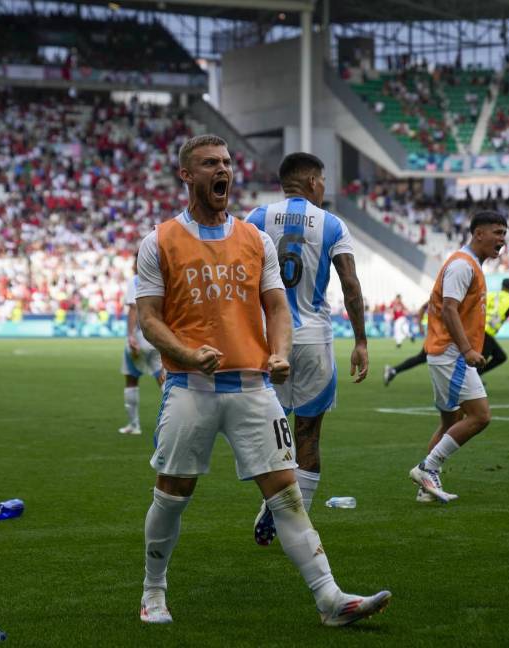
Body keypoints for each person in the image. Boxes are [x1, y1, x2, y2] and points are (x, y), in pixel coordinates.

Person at [134, 134, 389, 626]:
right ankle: (153, 591)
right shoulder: (160, 239)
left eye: (226, 163)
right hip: (191, 388)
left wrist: (279, 352)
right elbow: (148, 318)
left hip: (253, 386)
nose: (221, 170)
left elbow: (277, 306)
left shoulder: (255, 238)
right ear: (187, 175)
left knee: (286, 491)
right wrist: (186, 352)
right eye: (209, 163)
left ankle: (330, 598)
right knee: (172, 491)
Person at [245, 152, 369, 544]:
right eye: (323, 180)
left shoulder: (255, 219)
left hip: (269, 343)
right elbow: (350, 284)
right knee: (309, 436)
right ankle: (297, 523)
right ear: (313, 181)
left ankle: (273, 504)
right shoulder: (332, 224)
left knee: (274, 434)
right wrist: (361, 341)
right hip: (315, 341)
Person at [407, 211, 506, 503]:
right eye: (497, 232)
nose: (501, 240)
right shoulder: (463, 266)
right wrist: (467, 350)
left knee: (450, 421)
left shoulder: (468, 263)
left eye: (504, 234)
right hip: (451, 354)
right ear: (478, 234)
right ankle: (427, 468)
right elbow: (450, 309)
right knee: (480, 416)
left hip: (444, 352)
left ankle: (426, 488)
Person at [119, 265, 165, 435]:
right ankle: (174, 422)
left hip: (140, 335)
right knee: (163, 378)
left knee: (131, 379)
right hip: (159, 336)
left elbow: (133, 308)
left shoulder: (136, 280)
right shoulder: (162, 279)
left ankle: (134, 425)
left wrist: (130, 335)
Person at [481, 277, 509, 374]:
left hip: (478, 329)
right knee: (498, 357)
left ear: (502, 286)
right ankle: (476, 377)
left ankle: (476, 376)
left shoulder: (490, 295)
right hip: (487, 333)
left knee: (481, 360)